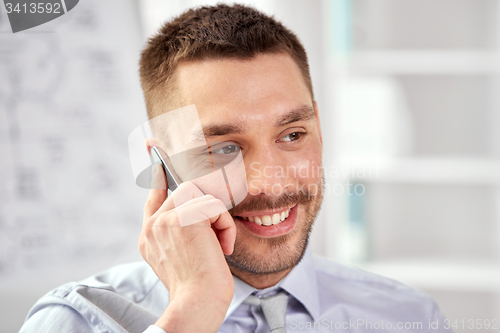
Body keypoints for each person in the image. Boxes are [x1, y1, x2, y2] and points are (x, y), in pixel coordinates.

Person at [20, 4, 452, 333]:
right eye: (223, 147)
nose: (269, 181)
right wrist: (193, 308)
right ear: (162, 164)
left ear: (318, 128)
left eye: (292, 135)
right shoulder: (73, 321)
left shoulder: (409, 317)